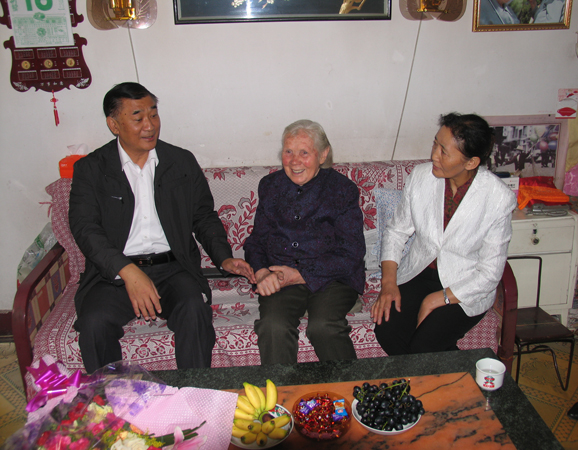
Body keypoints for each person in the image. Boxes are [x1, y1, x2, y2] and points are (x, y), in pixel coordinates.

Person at [69, 82, 255, 374]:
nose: (150, 125)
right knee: (94, 323)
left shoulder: (180, 162)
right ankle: (111, 396)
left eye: (153, 115)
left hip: (172, 268)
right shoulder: (91, 169)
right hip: (115, 274)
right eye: (138, 117)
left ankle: (194, 391)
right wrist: (127, 271)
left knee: (193, 309)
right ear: (114, 124)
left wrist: (224, 257)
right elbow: (85, 228)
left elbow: (203, 216)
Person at [371, 113, 517, 355]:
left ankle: (438, 373)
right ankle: (456, 369)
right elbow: (396, 232)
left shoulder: (498, 198)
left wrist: (437, 299)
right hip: (421, 273)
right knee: (387, 329)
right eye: (435, 144)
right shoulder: (421, 177)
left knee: (424, 345)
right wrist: (388, 284)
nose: (434, 156)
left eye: (444, 152)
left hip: (465, 284)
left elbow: (490, 273)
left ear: (471, 162)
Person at [243, 120, 366, 365]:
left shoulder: (342, 190)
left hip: (332, 278)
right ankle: (280, 389)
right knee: (273, 326)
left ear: (323, 155)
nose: (294, 161)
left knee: (323, 326)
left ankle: (352, 387)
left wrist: (301, 275)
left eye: (304, 153)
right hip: (281, 278)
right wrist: (262, 272)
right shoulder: (270, 186)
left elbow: (351, 252)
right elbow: (257, 240)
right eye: (288, 151)